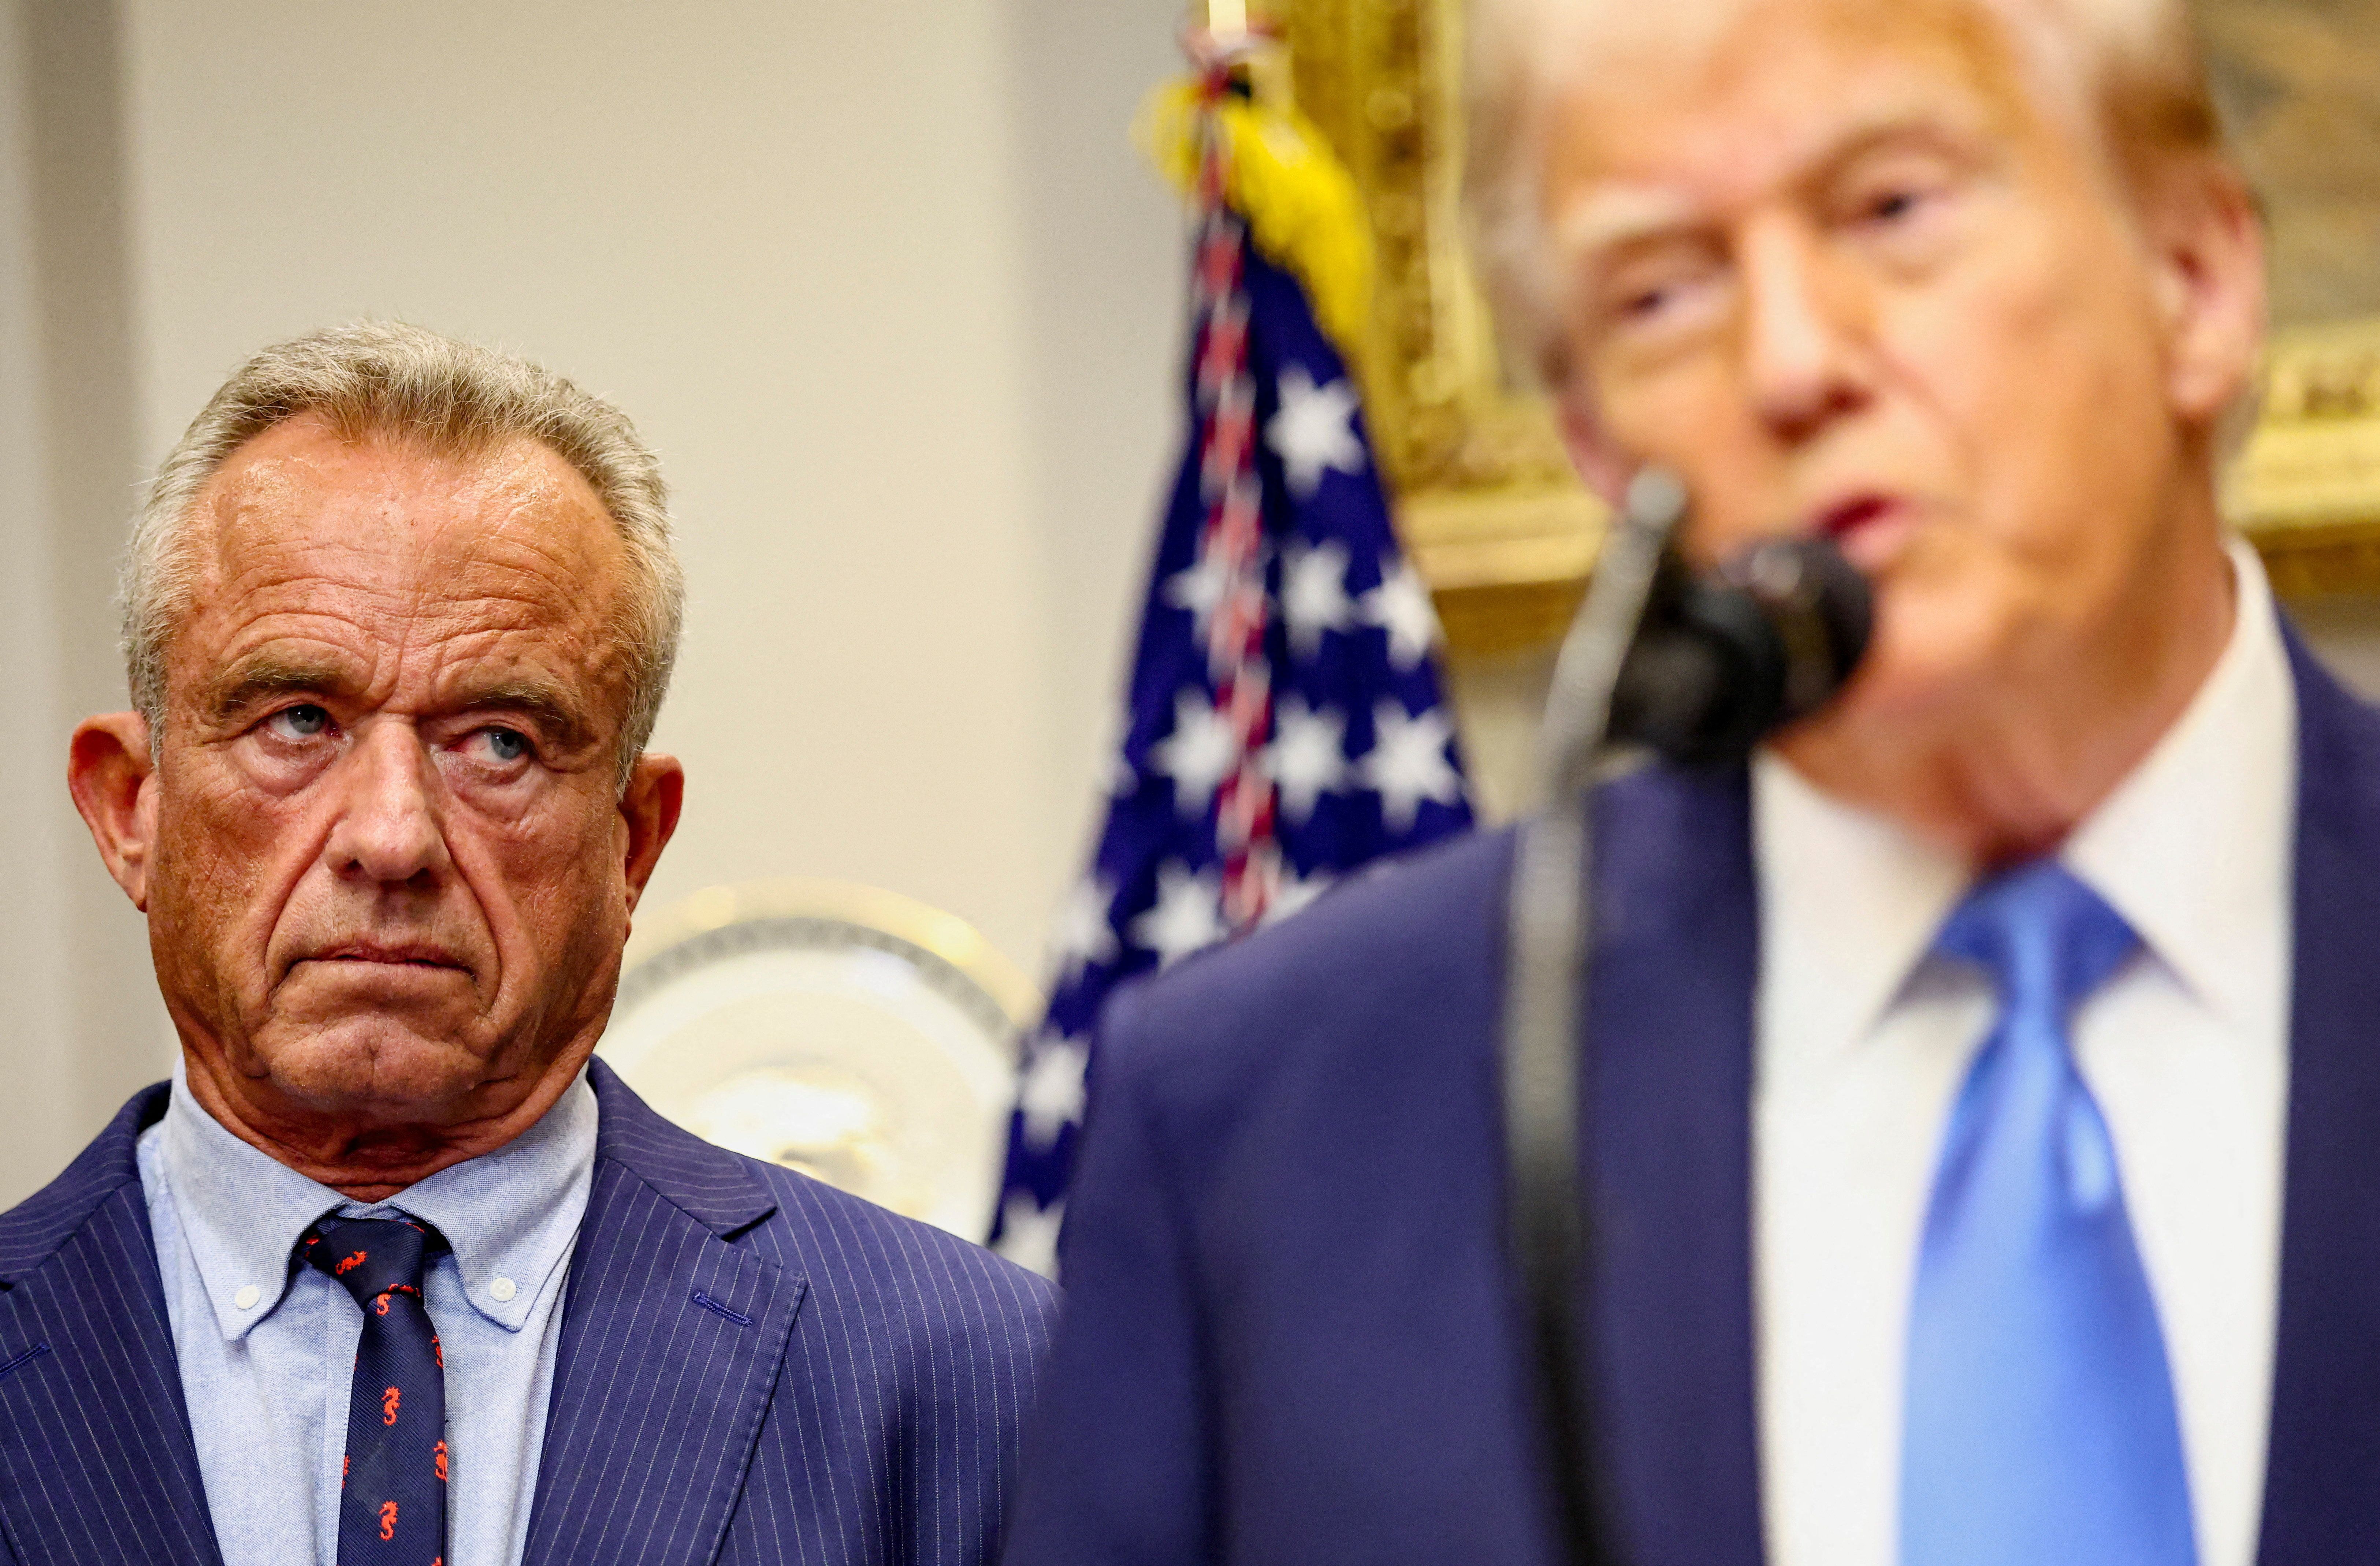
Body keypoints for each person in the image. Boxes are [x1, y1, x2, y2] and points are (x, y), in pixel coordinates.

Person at [1005, 1, 2380, 1563]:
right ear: (1597, 447)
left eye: (1891, 208)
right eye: (1660, 293)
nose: (1789, 363)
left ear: (2194, 277)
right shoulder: (1270, 1115)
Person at [7, 322, 1054, 1566]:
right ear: (131, 807)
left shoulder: (978, 1379)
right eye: (297, 720)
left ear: (632, 839)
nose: (392, 838)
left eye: (500, 741)